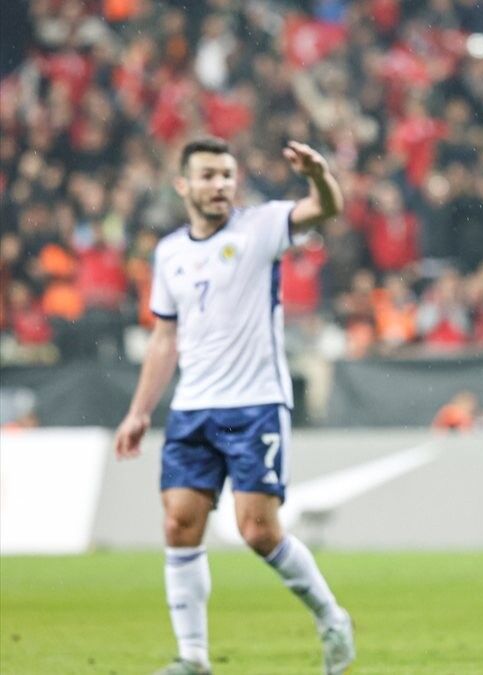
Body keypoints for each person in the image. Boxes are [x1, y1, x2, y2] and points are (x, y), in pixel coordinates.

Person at [113, 138, 355, 675]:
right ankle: (193, 657)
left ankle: (332, 618)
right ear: (184, 185)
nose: (220, 184)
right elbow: (164, 339)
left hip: (254, 404)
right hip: (193, 408)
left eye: (227, 174)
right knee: (179, 524)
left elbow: (327, 209)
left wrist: (318, 175)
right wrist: (139, 411)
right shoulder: (169, 253)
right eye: (208, 175)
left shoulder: (260, 227)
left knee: (259, 531)